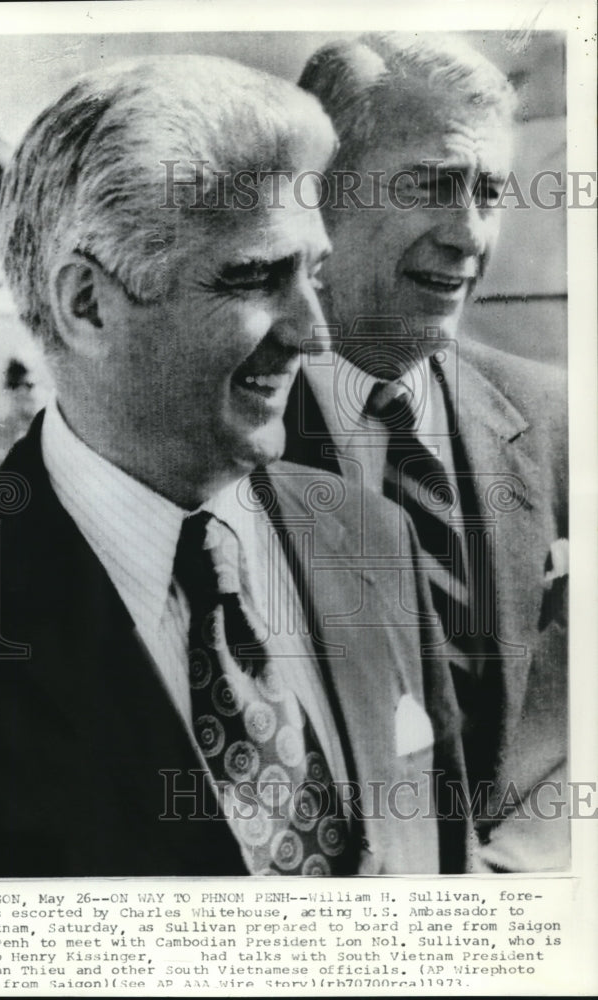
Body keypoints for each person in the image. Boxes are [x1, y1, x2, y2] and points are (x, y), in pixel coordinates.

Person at [0, 55, 468, 878]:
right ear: (86, 303)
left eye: (314, 274)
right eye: (255, 277)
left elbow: (445, 856)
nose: (314, 332)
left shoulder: (371, 535)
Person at [285, 33, 568, 871]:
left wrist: (517, 871)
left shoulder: (552, 416)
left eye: (486, 192)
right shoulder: (215, 435)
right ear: (317, 196)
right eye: (433, 186)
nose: (469, 235)